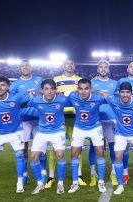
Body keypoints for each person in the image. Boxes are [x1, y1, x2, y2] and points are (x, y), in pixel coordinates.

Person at [46, 59, 86, 188]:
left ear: (74, 66)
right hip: (59, 118)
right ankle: (51, 177)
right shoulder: (56, 79)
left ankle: (79, 176)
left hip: (75, 118)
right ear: (63, 66)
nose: (69, 65)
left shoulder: (80, 79)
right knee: (54, 148)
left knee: (77, 147)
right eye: (67, 63)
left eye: (72, 63)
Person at [27, 79, 69, 194]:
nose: (49, 91)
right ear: (42, 91)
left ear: (55, 90)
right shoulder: (36, 100)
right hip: (42, 132)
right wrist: (30, 93)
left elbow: (77, 101)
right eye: (46, 89)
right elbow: (22, 102)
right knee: (34, 157)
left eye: (51, 89)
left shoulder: (62, 100)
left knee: (60, 154)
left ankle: (60, 183)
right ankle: (40, 184)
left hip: (58, 131)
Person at [67, 78, 107, 193]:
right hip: (79, 127)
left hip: (95, 127)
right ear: (77, 89)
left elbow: (113, 98)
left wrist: (101, 92)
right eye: (81, 88)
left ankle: (101, 182)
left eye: (86, 88)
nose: (83, 91)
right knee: (74, 153)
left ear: (91, 89)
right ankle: (75, 183)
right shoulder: (72, 96)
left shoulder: (98, 97)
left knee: (100, 151)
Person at [10, 59, 45, 184]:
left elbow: (46, 93)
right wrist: (27, 97)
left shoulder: (39, 80)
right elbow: (12, 102)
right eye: (23, 66)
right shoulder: (15, 84)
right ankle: (24, 174)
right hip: (23, 120)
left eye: (27, 66)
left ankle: (43, 173)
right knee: (23, 148)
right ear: (19, 69)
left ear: (31, 68)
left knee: (41, 147)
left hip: (39, 119)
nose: (25, 67)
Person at [91, 60, 118, 186]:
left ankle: (113, 172)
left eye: (105, 67)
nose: (103, 69)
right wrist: (101, 92)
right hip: (96, 119)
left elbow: (118, 98)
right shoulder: (91, 83)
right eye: (100, 67)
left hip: (111, 118)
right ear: (97, 69)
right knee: (94, 146)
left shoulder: (115, 83)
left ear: (108, 69)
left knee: (113, 146)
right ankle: (93, 174)